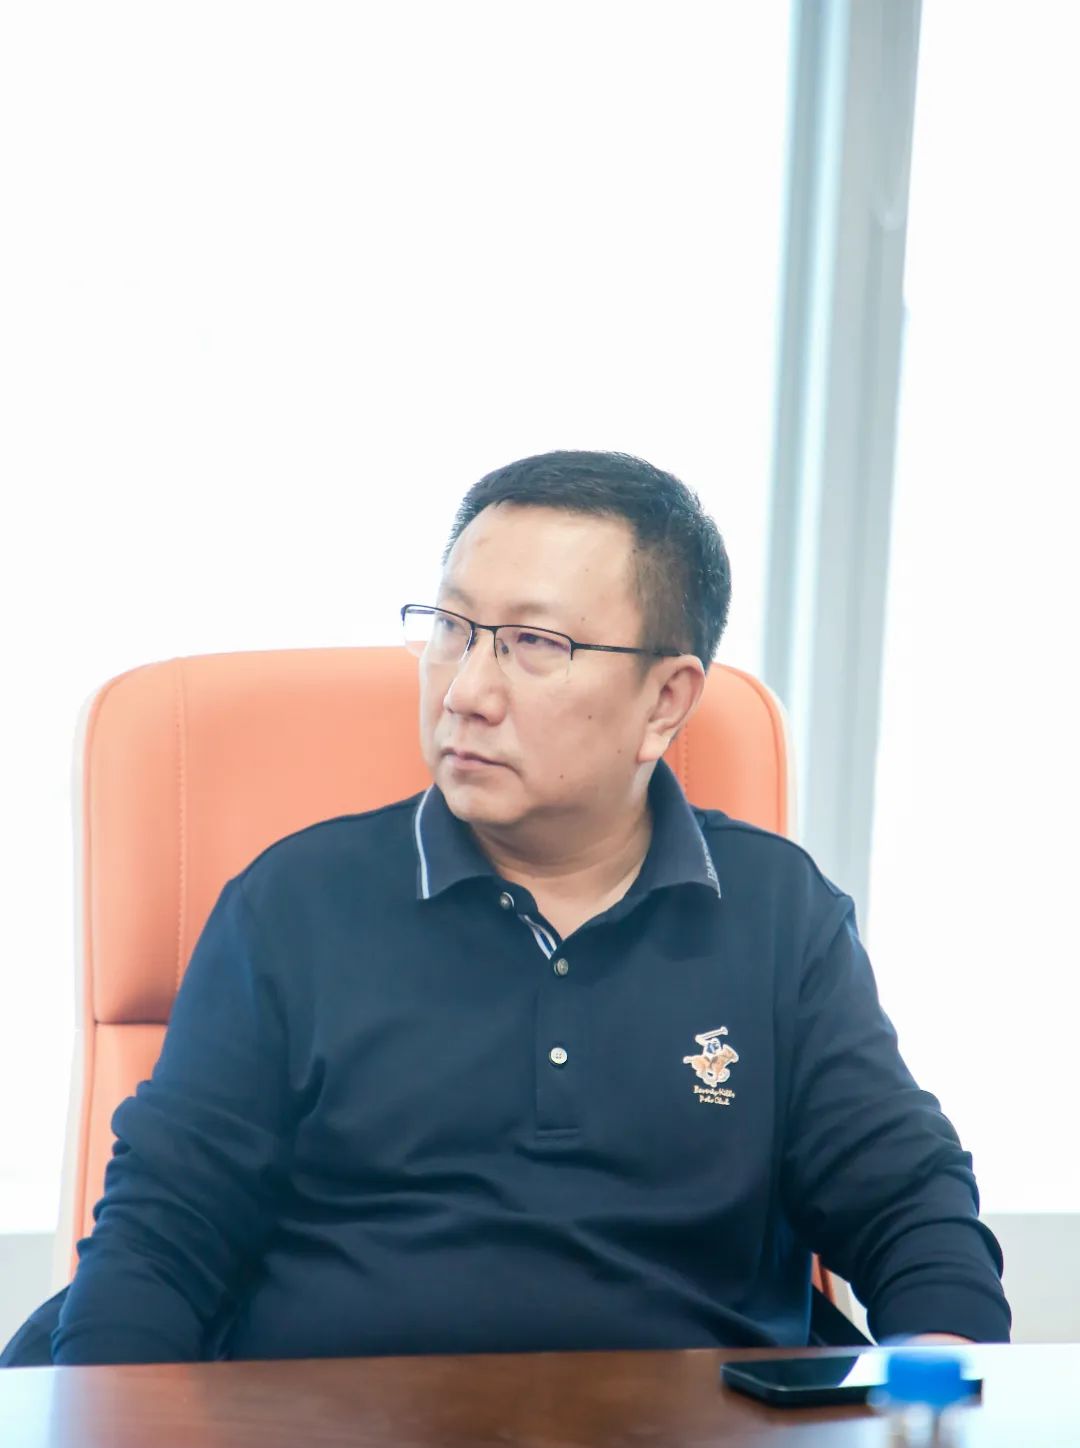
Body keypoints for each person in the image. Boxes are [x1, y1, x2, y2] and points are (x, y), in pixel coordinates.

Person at [45, 449, 1009, 1365]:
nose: (466, 690)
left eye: (535, 645)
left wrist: (942, 1393)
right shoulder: (292, 906)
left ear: (665, 702)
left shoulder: (778, 916)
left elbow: (909, 1204)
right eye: (452, 628)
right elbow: (159, 1242)